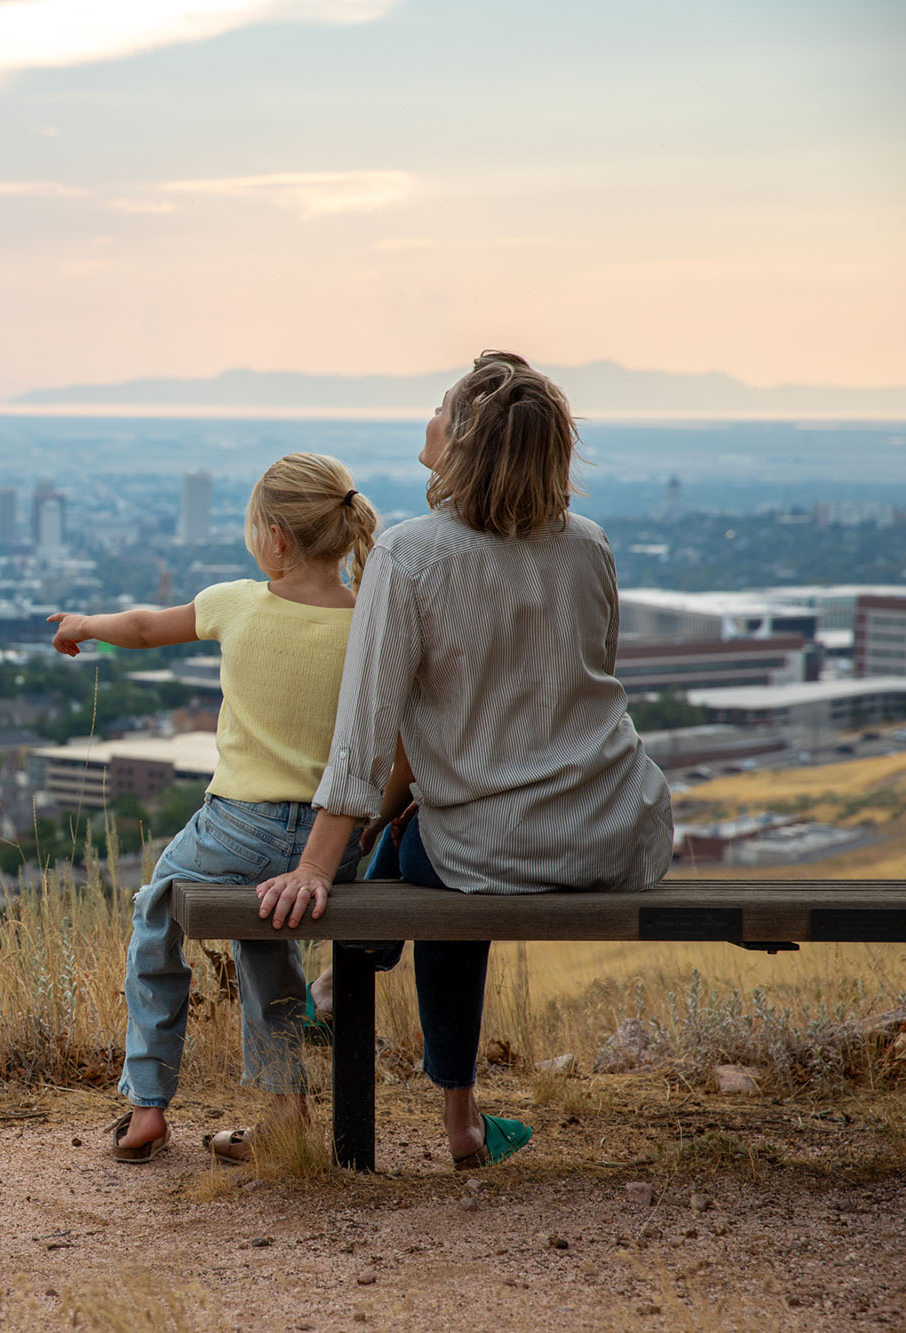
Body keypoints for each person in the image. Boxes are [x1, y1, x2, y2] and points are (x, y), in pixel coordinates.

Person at [255, 351, 673, 1169]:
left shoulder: (408, 556)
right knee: (440, 845)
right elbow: (582, 695)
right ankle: (461, 1126)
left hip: (484, 849)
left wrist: (314, 866)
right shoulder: (590, 547)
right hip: (617, 834)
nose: (429, 417)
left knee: (437, 856)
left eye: (442, 406)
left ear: (465, 442)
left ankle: (365, 993)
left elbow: (364, 736)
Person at [46, 453, 380, 1163]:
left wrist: (85, 621)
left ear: (277, 539)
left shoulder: (236, 602)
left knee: (155, 909)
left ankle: (145, 1101)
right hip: (335, 843)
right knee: (261, 934)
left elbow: (140, 626)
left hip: (237, 828)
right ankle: (287, 1110)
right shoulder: (371, 623)